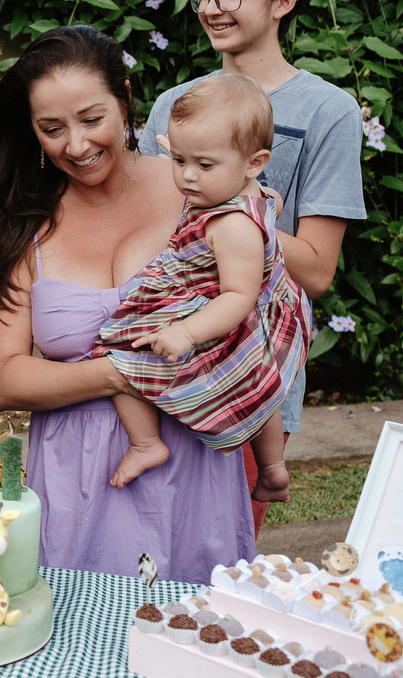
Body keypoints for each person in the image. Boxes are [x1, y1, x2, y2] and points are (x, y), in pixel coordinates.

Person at [0, 25, 254, 584]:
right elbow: (4, 380)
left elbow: (260, 305)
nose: (76, 146)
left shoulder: (200, 193)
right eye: (52, 129)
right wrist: (124, 372)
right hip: (75, 480)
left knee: (195, 626)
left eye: (91, 119)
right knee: (80, 629)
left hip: (192, 464)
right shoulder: (21, 225)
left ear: (124, 98)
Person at [139, 0, 366, 533]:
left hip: (250, 372)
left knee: (219, 551)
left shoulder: (328, 111)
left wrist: (238, 214)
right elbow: (145, 235)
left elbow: (317, 269)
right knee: (141, 546)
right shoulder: (174, 105)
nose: (214, 7)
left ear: (284, 0)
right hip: (163, 356)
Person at [93, 73, 311, 501]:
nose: (188, 177)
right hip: (236, 314)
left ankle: (146, 443)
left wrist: (186, 332)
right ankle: (272, 468)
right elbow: (271, 199)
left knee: (118, 350)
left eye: (204, 165)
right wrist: (192, 155)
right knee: (260, 384)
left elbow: (239, 296)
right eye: (179, 161)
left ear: (255, 162)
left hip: (224, 316)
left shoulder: (232, 225)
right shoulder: (250, 190)